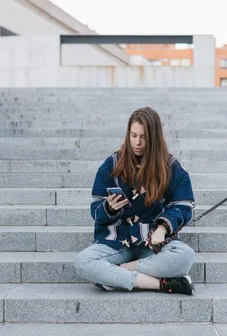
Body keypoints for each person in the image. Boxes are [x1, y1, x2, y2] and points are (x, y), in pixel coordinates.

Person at [74, 107, 196, 295]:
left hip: (152, 244)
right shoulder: (112, 164)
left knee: (185, 256)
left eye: (144, 137)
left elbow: (184, 205)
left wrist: (163, 228)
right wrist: (108, 208)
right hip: (117, 242)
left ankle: (120, 273)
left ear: (154, 138)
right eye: (133, 135)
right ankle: (162, 284)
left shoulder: (170, 166)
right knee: (83, 262)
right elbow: (95, 210)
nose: (137, 143)